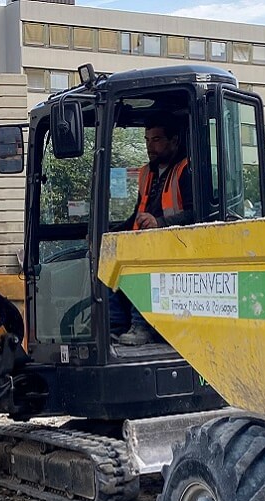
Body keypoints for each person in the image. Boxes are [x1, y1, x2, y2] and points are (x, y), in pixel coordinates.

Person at [113, 113, 195, 345]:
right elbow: (137, 214)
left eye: (157, 140)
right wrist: (110, 232)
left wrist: (159, 223)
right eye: (147, 140)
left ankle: (142, 326)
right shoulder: (147, 173)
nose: (150, 146)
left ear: (174, 140)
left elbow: (197, 214)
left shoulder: (186, 170)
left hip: (178, 246)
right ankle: (116, 323)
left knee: (143, 264)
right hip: (148, 241)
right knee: (105, 256)